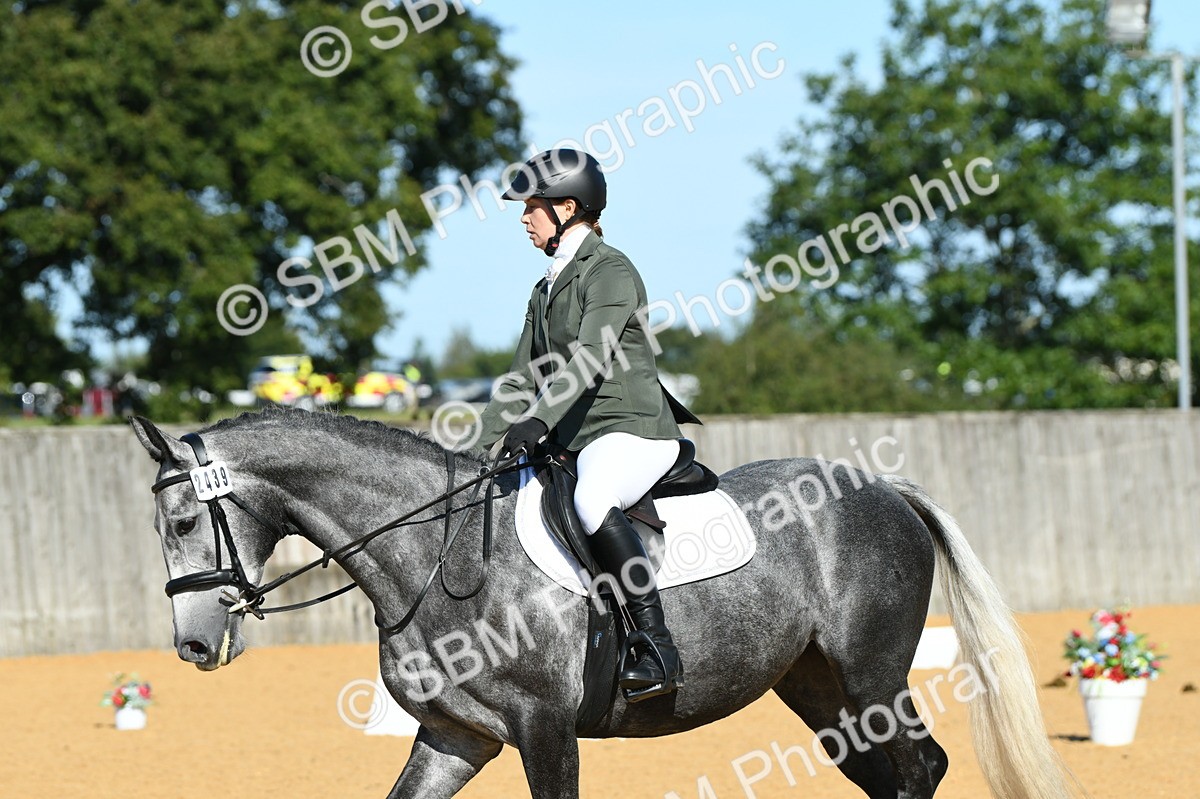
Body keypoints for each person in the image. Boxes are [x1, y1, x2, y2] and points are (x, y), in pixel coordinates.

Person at [476, 148, 700, 700]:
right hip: (573, 434)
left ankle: (656, 644)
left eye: (531, 208)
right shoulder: (545, 287)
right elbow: (519, 377)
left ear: (567, 208)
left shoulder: (611, 270)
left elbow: (590, 356)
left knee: (593, 499)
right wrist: (470, 452)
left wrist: (537, 421)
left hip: (629, 429)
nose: (523, 219)